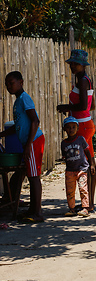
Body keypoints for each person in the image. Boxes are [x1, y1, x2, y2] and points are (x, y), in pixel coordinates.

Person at [0, 71, 45, 223]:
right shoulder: (18, 101)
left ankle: (37, 213)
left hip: (33, 141)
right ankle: (32, 210)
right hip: (29, 142)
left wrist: (28, 146)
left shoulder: (25, 98)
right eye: (6, 84)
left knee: (33, 177)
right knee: (30, 175)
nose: (8, 86)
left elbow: (35, 121)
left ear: (21, 82)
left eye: (11, 83)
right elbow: (17, 126)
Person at [56, 49, 96, 213]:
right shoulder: (85, 79)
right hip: (85, 124)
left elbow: (83, 106)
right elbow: (91, 106)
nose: (72, 66)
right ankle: (89, 203)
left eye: (75, 63)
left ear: (82, 65)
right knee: (89, 162)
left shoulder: (82, 81)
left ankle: (89, 204)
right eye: (71, 63)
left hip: (82, 126)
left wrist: (65, 107)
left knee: (85, 164)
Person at [61, 116, 96, 217]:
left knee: (83, 188)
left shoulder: (81, 139)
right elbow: (65, 155)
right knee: (70, 190)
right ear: (64, 129)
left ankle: (85, 208)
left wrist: (91, 164)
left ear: (77, 128)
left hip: (82, 169)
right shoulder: (63, 143)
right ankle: (72, 209)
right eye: (68, 127)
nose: (71, 130)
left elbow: (87, 151)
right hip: (70, 171)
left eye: (73, 127)